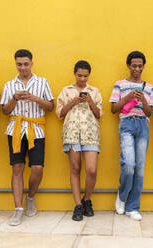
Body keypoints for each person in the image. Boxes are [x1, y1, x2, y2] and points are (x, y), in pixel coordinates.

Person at [0, 49, 54, 226]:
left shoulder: (42, 82)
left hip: (36, 129)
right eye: (19, 64)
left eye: (26, 64)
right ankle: (18, 209)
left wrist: (36, 99)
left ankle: (30, 197)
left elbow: (51, 106)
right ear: (15, 64)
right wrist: (14, 98)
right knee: (17, 167)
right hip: (15, 129)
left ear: (32, 63)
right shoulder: (9, 85)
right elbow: (5, 111)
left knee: (37, 167)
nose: (22, 67)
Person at [109, 51, 153, 221]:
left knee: (140, 169)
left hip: (143, 124)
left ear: (144, 66)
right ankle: (122, 196)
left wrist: (143, 100)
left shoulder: (149, 87)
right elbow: (114, 110)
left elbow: (149, 112)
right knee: (129, 164)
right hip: (126, 124)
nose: (137, 69)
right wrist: (128, 96)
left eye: (140, 66)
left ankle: (133, 207)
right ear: (128, 66)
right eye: (134, 65)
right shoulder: (120, 84)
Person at [56, 60, 102, 221]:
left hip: (90, 134)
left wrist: (89, 101)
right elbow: (60, 114)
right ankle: (77, 205)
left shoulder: (94, 91)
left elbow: (99, 114)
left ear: (89, 75)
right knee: (75, 169)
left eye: (85, 76)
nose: (82, 79)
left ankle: (87, 199)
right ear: (74, 74)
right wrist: (73, 101)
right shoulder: (66, 90)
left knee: (91, 170)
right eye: (79, 75)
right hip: (72, 133)